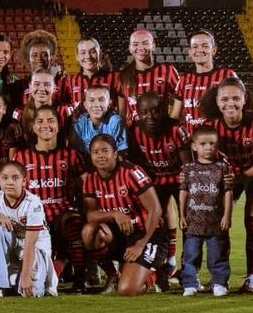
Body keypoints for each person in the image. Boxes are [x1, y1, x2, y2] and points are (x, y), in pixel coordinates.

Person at [201, 77, 253, 294]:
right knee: (219, 222)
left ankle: (252, 278)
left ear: (244, 99)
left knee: (252, 219)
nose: (229, 103)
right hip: (228, 176)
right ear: (217, 101)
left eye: (235, 98)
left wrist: (236, 178)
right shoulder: (210, 127)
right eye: (224, 99)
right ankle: (221, 278)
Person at [13, 106, 86, 291]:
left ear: (59, 126)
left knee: (74, 222)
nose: (46, 125)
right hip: (34, 218)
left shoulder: (71, 155)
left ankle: (79, 279)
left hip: (63, 215)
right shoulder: (22, 157)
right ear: (33, 127)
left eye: (51, 120)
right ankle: (55, 266)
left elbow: (84, 188)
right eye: (40, 121)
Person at [81, 134, 164, 296]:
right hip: (120, 234)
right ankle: (113, 275)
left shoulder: (132, 172)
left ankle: (156, 273)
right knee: (89, 231)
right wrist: (115, 214)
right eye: (95, 152)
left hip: (147, 234)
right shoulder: (90, 178)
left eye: (105, 151)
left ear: (115, 154)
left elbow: (156, 210)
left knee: (127, 290)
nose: (100, 156)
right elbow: (91, 215)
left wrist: (140, 244)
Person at [127, 91, 189, 283]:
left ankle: (189, 270)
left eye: (154, 111)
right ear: (137, 112)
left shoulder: (176, 130)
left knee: (188, 223)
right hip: (155, 181)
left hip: (180, 180)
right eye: (144, 112)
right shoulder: (134, 131)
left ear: (164, 110)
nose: (150, 116)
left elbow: (188, 166)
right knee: (157, 221)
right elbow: (137, 162)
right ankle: (166, 264)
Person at [0, 161, 57, 298]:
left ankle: (25, 279)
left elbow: (30, 244)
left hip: (34, 247)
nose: (10, 182)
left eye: (15, 178)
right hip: (13, 245)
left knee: (31, 292)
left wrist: (25, 276)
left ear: (24, 181)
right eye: (4, 178)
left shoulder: (33, 203)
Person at [178, 126, 233, 297]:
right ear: (194, 146)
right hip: (193, 221)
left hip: (215, 221)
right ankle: (190, 283)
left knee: (217, 255)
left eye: (212, 143)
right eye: (203, 144)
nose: (208, 147)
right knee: (191, 254)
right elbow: (183, 192)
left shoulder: (222, 167)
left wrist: (227, 215)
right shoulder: (188, 169)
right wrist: (181, 215)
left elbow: (227, 192)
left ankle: (219, 282)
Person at [173, 30, 236, 131]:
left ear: (214, 50)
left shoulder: (227, 75)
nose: (200, 50)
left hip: (221, 138)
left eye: (205, 46)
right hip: (192, 141)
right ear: (190, 52)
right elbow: (175, 115)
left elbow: (241, 109)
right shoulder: (184, 79)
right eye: (195, 47)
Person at [119, 28, 179, 124]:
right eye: (135, 44)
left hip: (162, 129)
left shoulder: (168, 70)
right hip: (135, 132)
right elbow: (122, 113)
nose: (140, 47)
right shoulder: (123, 75)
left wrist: (172, 121)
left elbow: (180, 98)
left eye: (145, 43)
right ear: (130, 48)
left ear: (153, 46)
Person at [58, 37, 121, 115]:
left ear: (100, 54)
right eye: (83, 52)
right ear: (77, 56)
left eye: (93, 52)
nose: (88, 56)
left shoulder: (115, 78)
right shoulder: (69, 80)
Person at [70, 83, 127, 160]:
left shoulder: (115, 122)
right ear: (85, 105)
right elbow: (78, 154)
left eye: (101, 100)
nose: (96, 105)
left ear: (109, 103)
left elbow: (121, 154)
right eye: (92, 100)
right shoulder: (79, 124)